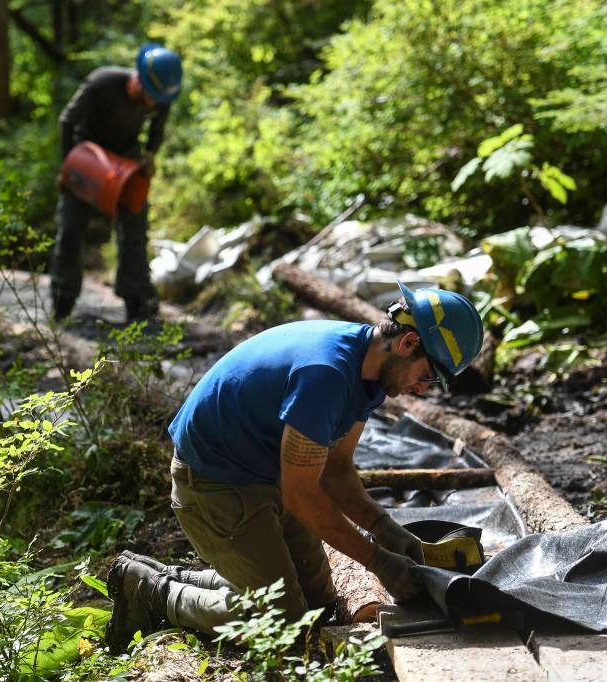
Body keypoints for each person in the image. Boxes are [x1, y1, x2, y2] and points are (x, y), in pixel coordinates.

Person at [104, 281, 484, 653]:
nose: (422, 388)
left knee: (319, 608)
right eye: (427, 376)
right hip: (213, 483)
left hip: (265, 474)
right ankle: (153, 591)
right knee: (284, 626)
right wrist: (377, 560)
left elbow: (336, 472)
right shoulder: (327, 374)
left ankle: (194, 577)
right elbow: (301, 495)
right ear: (408, 343)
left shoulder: (370, 375)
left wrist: (387, 532)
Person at [50, 43, 182, 323]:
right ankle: (62, 303)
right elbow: (67, 121)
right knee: (71, 230)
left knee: (135, 228)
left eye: (158, 100)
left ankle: (137, 303)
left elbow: (157, 130)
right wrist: (68, 165)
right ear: (138, 79)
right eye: (150, 97)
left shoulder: (162, 96)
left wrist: (149, 156)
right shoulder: (103, 82)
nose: (152, 104)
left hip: (126, 160)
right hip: (88, 157)